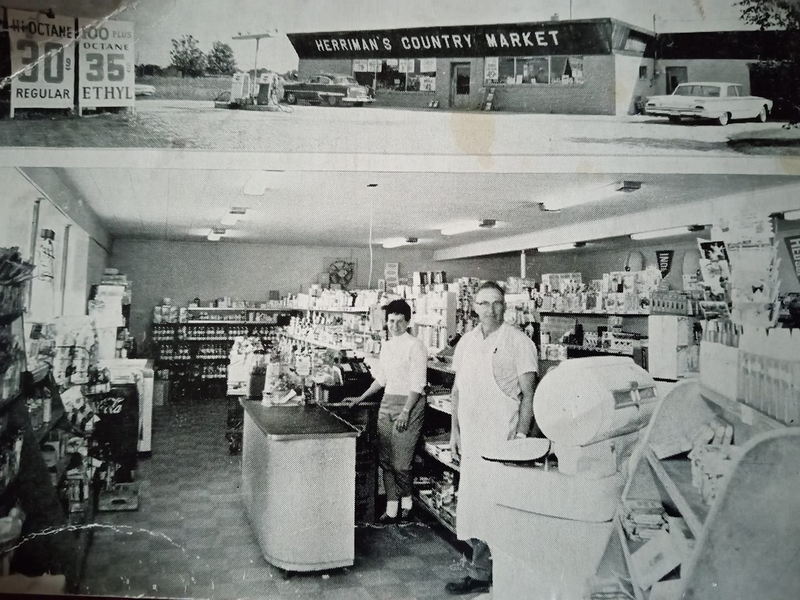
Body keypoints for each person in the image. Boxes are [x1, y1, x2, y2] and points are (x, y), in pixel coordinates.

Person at [445, 281, 539, 595]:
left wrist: (522, 436)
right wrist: (454, 432)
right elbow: (457, 390)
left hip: (504, 440)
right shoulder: (467, 343)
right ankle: (481, 572)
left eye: (497, 302)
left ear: (505, 306)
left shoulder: (519, 342)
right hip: (472, 440)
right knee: (475, 508)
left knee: (502, 509)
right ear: (474, 307)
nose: (491, 309)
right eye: (484, 303)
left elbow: (529, 395)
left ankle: (504, 577)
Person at [346, 299, 427, 523]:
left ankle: (408, 504)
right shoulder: (388, 345)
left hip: (409, 404)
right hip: (388, 402)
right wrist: (361, 397)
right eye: (391, 321)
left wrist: (405, 412)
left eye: (400, 322)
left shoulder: (416, 345)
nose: (394, 326)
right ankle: (392, 509)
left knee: (401, 463)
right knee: (386, 460)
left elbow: (418, 384)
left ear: (408, 322)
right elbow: (382, 379)